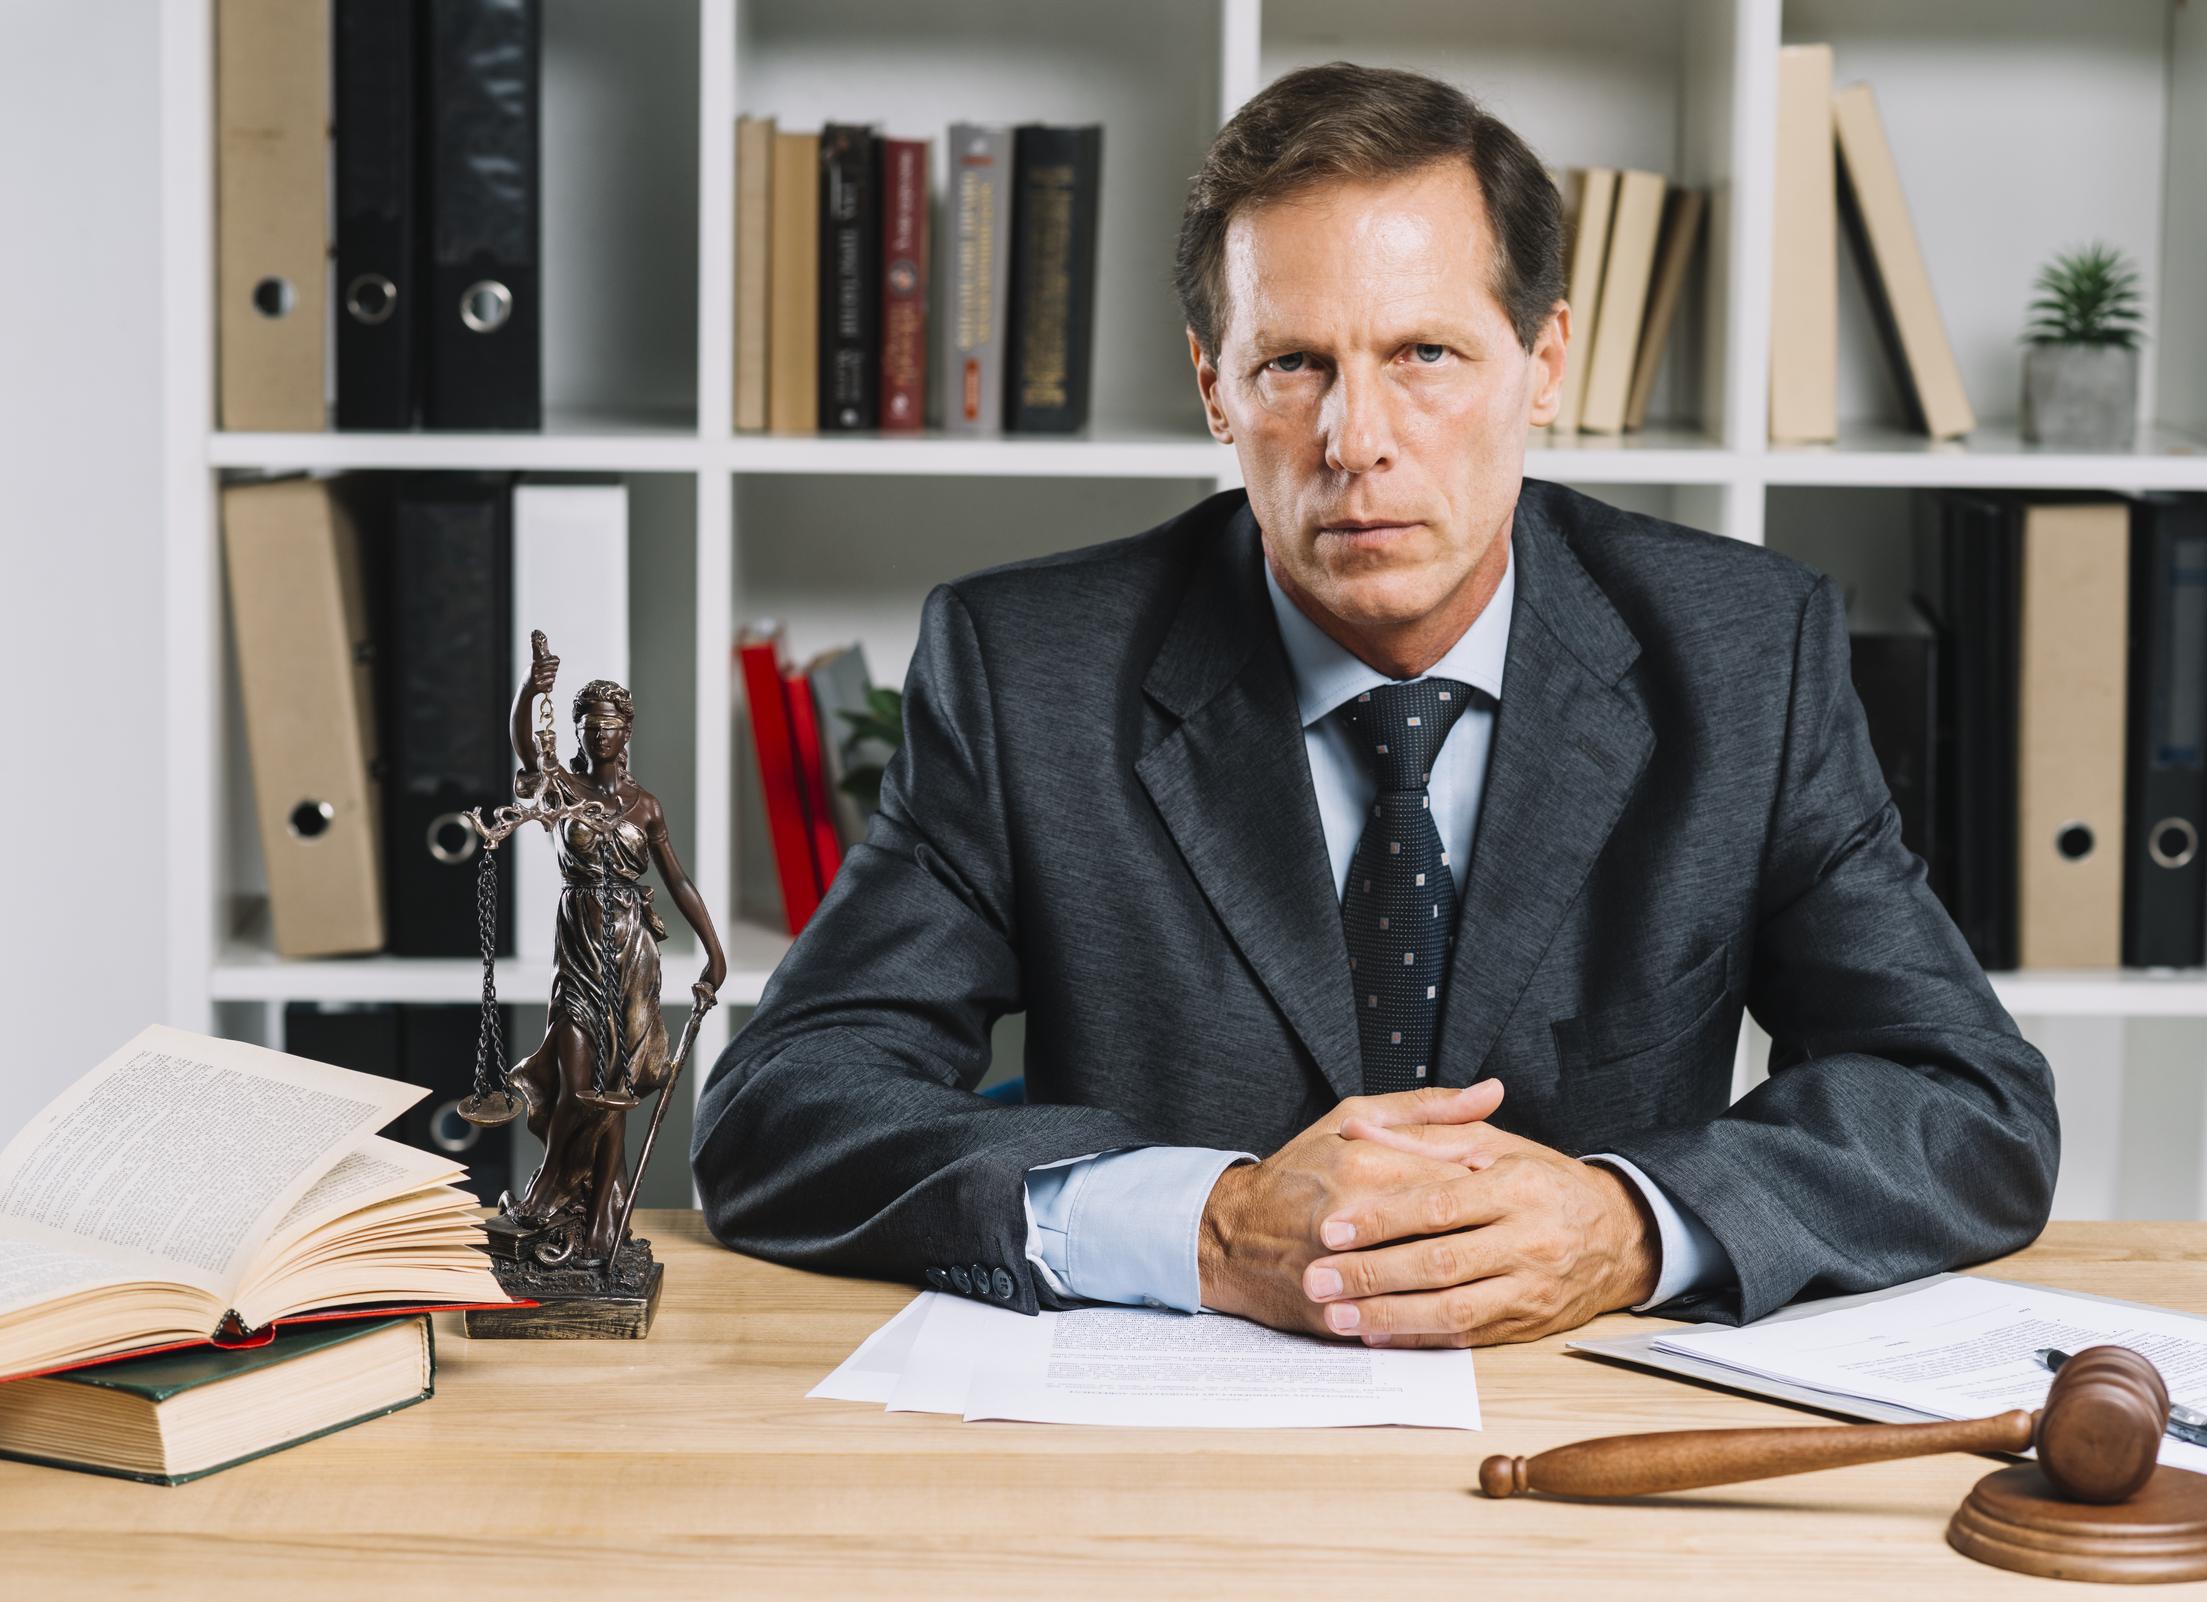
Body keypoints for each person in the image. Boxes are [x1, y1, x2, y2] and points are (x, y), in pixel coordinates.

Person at [693, 63, 2058, 1345]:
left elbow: (1970, 1104)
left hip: (1578, 1426)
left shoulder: (1746, 655)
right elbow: (779, 1112)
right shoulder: (1027, 668)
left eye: (1425, 355)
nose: (1358, 440)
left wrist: (1633, 1223)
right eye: (1294, 364)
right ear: (1214, 390)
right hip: (1160, 1447)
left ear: (1544, 361)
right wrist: (1207, 1226)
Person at [508, 640, 725, 1265]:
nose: (600, 734)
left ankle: (604, 1214)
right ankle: (554, 1182)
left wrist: (713, 950)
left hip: (632, 954)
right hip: (577, 945)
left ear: (625, 732)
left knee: (618, 1085)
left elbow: (678, 881)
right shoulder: (564, 789)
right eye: (590, 725)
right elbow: (527, 748)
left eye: (610, 725)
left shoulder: (646, 805)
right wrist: (533, 688)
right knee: (580, 1087)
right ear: (577, 731)